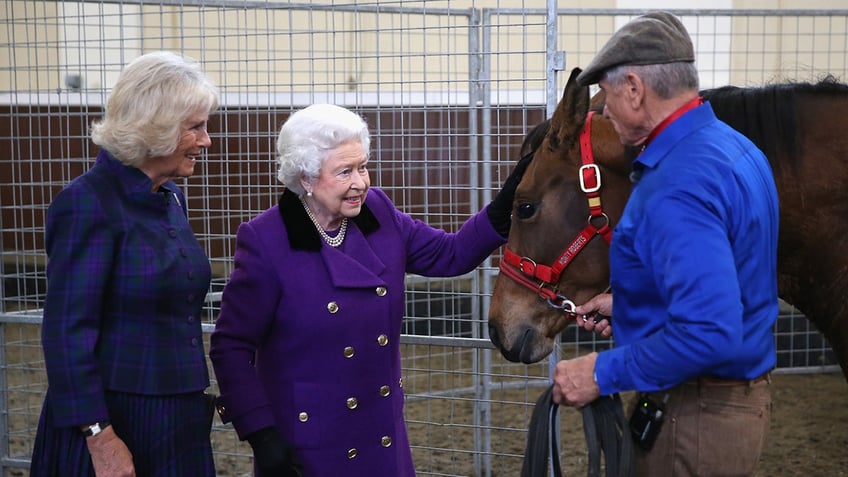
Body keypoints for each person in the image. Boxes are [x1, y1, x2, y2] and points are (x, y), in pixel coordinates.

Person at [209, 103, 529, 476]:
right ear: (307, 178)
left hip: (379, 432)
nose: (361, 182)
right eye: (345, 171)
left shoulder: (377, 212)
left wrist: (506, 205)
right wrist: (261, 434)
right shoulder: (266, 240)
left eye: (362, 166)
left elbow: (451, 254)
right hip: (308, 441)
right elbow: (231, 346)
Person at [550, 11, 779, 477]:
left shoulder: (677, 183)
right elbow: (730, 275)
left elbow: (708, 332)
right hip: (727, 407)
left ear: (634, 88)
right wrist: (638, 305)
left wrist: (599, 373)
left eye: (608, 96)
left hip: (692, 420)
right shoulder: (733, 148)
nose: (605, 111)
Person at [30, 51, 219, 477]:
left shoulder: (169, 196)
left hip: (176, 418)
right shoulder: (87, 202)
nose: (206, 141)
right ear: (156, 127)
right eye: (195, 127)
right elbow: (66, 334)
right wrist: (100, 437)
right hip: (114, 424)